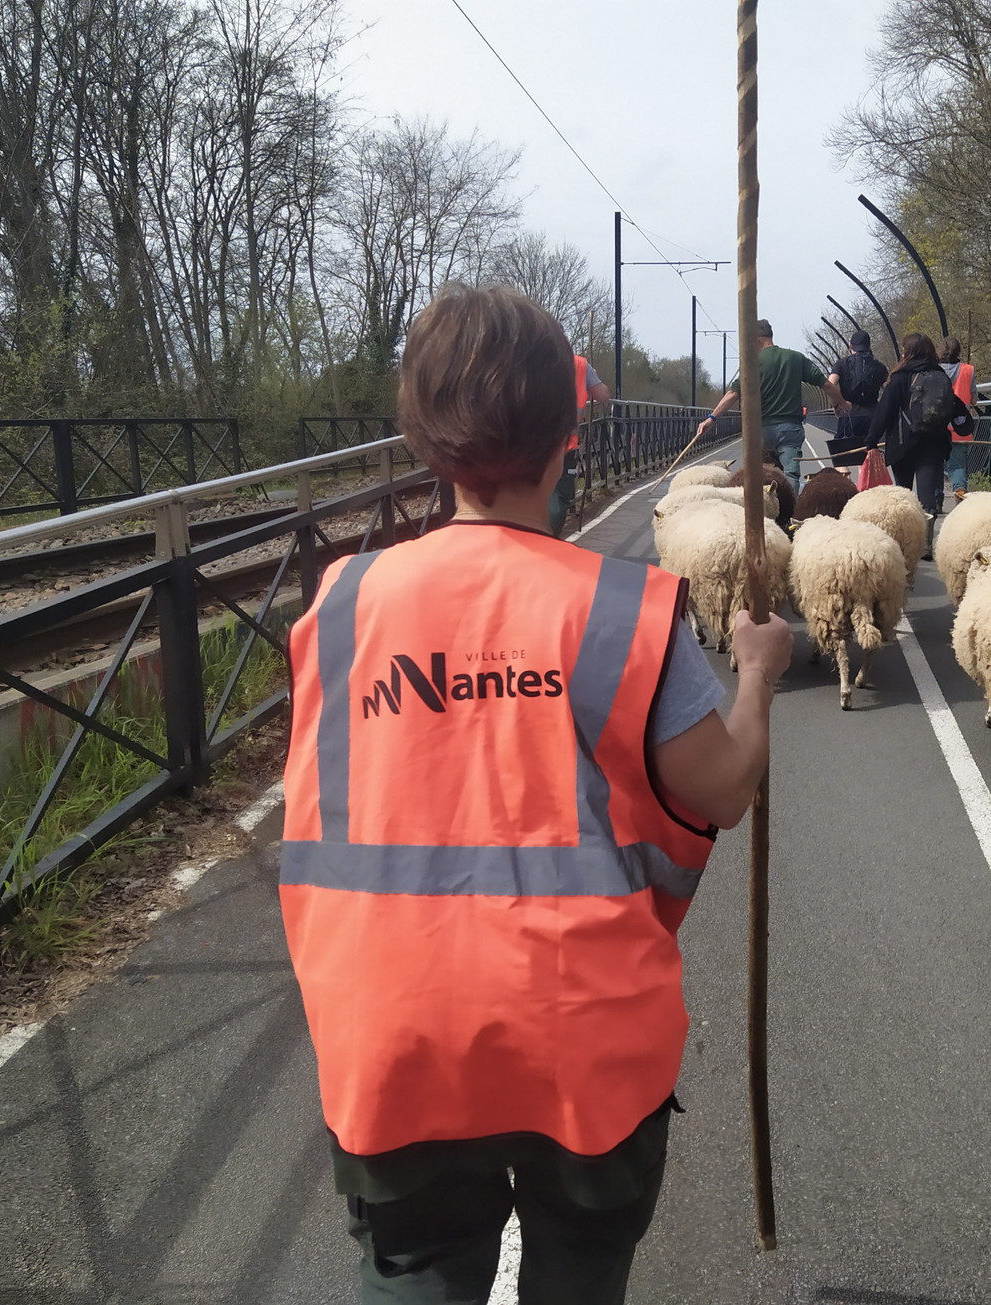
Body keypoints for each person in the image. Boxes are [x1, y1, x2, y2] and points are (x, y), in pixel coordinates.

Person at [280, 284, 793, 1302]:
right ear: (570, 436)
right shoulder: (617, 610)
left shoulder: (339, 608)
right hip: (581, 1036)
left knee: (416, 1278)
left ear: (423, 438)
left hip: (392, 1033)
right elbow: (724, 789)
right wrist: (758, 674)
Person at [696, 319, 842, 487]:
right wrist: (842, 404)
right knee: (790, 474)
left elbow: (733, 394)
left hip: (762, 430)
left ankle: (763, 510)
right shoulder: (795, 358)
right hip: (790, 429)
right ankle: (788, 511)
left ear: (756, 338)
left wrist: (711, 418)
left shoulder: (752, 363)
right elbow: (826, 385)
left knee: (759, 475)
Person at [865, 332, 974, 528]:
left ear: (908, 352)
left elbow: (884, 411)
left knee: (904, 495)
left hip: (902, 444)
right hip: (933, 443)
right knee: (926, 495)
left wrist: (871, 440)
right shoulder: (940, 376)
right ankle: (925, 543)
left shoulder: (900, 378)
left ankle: (905, 540)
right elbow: (954, 407)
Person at [547, 353, 611, 538]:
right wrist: (593, 377)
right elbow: (603, 395)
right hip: (564, 443)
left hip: (528, 443)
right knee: (559, 497)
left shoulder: (523, 357)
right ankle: (549, 540)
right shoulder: (580, 364)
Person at [827, 330, 889, 469]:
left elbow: (830, 385)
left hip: (848, 414)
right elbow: (890, 389)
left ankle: (846, 485)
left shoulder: (841, 364)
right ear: (869, 346)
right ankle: (865, 489)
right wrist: (881, 404)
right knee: (866, 458)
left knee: (841, 457)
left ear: (850, 346)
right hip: (872, 417)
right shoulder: (879, 366)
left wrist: (837, 405)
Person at [939, 335, 976, 502]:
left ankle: (935, 500)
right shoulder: (968, 370)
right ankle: (960, 493)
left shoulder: (933, 369)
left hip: (937, 427)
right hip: (960, 427)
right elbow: (973, 399)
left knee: (935, 464)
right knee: (957, 465)